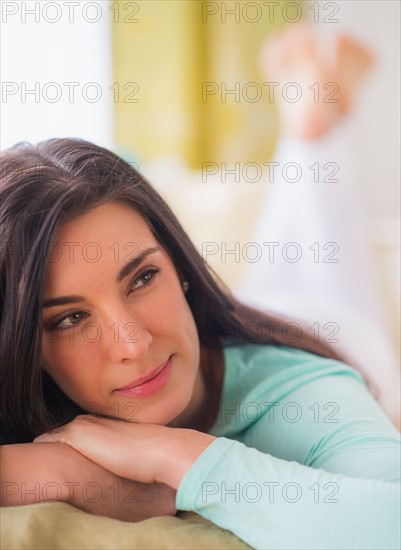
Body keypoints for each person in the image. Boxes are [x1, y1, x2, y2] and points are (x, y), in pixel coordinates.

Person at [0, 35, 400, 550]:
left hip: (321, 332)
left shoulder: (305, 392)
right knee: (289, 257)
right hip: (243, 316)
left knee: (323, 272)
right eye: (70, 319)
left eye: (143, 278)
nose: (132, 344)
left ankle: (313, 124)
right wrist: (65, 472)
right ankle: (312, 119)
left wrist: (177, 459)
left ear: (181, 265)